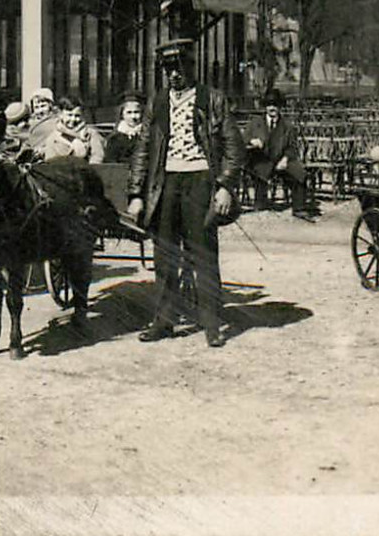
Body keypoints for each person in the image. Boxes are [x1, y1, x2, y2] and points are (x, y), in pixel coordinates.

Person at [127, 38, 245, 348]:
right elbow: (143, 149)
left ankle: (212, 323)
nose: (174, 74)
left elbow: (234, 147)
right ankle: (164, 321)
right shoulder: (158, 102)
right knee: (164, 255)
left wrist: (224, 186)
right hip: (165, 184)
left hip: (201, 182)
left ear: (192, 66)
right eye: (168, 69)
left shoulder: (212, 99)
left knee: (203, 254)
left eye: (179, 67)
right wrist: (136, 193)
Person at [244, 88, 314, 219]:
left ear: (280, 107)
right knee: (259, 170)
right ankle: (260, 203)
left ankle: (299, 207)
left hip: (280, 158)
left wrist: (286, 158)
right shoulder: (255, 123)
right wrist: (252, 141)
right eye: (270, 105)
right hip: (261, 159)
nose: (272, 108)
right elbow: (242, 140)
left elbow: (292, 147)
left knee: (299, 172)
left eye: (275, 105)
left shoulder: (287, 126)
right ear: (265, 107)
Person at [39, 95, 105, 163]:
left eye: (77, 116)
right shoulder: (53, 138)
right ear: (60, 115)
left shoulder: (91, 134)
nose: (73, 119)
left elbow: (97, 157)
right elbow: (50, 163)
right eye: (69, 115)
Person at [102, 93, 147, 165]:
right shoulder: (114, 139)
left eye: (136, 112)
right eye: (129, 113)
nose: (133, 117)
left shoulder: (148, 135)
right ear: (122, 114)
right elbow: (110, 163)